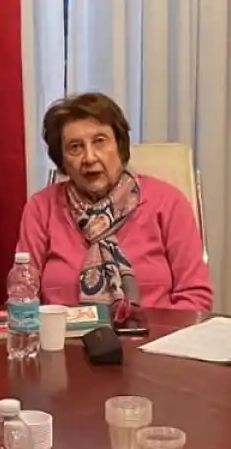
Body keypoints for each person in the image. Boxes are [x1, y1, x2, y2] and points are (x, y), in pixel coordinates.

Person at [17, 93, 213, 310]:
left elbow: (195, 296)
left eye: (100, 141)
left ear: (120, 147)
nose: (89, 158)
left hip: (154, 338)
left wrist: (157, 338)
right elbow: (23, 295)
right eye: (75, 147)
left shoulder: (168, 203)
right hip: (63, 340)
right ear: (62, 161)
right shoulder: (41, 208)